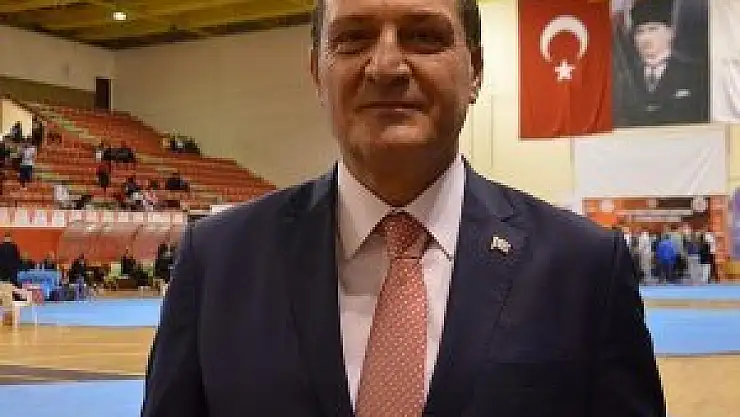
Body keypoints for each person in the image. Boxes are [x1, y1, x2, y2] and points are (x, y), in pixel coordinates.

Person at [141, 0, 665, 415]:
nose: (386, 66)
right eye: (353, 38)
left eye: (424, 36)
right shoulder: (217, 262)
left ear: (476, 70)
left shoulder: (583, 268)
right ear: (317, 73)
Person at [615, 0, 708, 126]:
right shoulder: (625, 78)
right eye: (640, 32)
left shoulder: (694, 72)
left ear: (670, 33)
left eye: (652, 29)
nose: (645, 38)